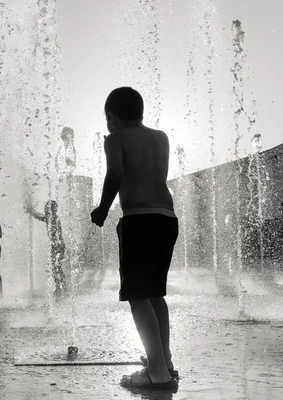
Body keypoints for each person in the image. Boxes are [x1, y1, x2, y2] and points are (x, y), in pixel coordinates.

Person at [90, 87, 179, 390]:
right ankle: (164, 360)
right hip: (167, 218)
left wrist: (102, 210)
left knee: (138, 296)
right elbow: (157, 175)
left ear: (112, 117)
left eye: (107, 119)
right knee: (156, 294)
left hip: (138, 220)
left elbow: (115, 174)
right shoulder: (161, 138)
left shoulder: (115, 139)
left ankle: (156, 373)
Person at [25, 200, 67, 298]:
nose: (46, 210)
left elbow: (41, 217)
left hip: (59, 246)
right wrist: (32, 211)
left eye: (48, 208)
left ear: (53, 209)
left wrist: (32, 211)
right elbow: (40, 216)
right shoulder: (50, 218)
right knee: (55, 267)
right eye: (46, 208)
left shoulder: (54, 218)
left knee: (56, 267)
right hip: (55, 245)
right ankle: (61, 287)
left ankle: (61, 287)